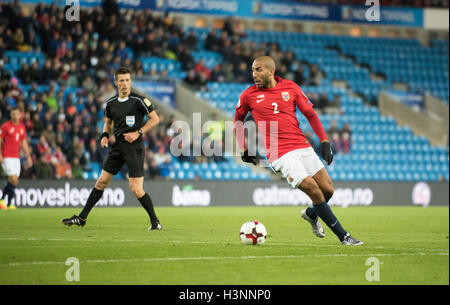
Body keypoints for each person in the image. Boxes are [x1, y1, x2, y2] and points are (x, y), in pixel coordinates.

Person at [234, 56, 362, 245]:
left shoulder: (291, 88)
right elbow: (237, 120)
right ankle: (344, 236)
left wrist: (324, 141)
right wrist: (243, 148)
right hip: (280, 153)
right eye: (252, 70)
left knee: (328, 190)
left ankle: (311, 214)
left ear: (271, 71)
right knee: (314, 190)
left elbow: (310, 114)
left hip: (302, 146)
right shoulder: (248, 95)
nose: (254, 74)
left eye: (258, 69)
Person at [61, 67, 162, 230]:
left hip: (134, 147)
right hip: (118, 148)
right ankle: (82, 217)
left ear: (131, 81)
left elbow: (155, 119)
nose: (125, 83)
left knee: (136, 188)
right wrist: (104, 135)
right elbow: (108, 123)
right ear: (115, 82)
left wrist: (138, 132)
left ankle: (155, 222)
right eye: (121, 80)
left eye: (127, 80)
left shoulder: (139, 101)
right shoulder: (111, 103)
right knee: (101, 182)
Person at [0, 107, 33, 210]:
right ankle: (2, 201)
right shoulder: (5, 126)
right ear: (11, 115)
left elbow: (24, 143)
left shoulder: (22, 127)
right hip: (6, 156)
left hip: (16, 158)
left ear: (20, 115)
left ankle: (8, 203)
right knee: (13, 178)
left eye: (17, 114)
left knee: (14, 181)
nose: (15, 116)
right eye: (13, 114)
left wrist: (28, 156)